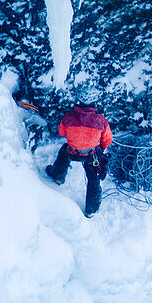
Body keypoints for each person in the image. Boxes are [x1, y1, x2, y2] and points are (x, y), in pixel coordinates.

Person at [45, 87, 113, 218]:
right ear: (94, 103)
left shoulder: (68, 118)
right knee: (94, 180)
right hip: (90, 155)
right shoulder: (101, 121)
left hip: (72, 151)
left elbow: (61, 132)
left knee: (63, 153)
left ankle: (58, 176)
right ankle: (91, 209)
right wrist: (100, 149)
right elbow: (107, 140)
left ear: (79, 101)